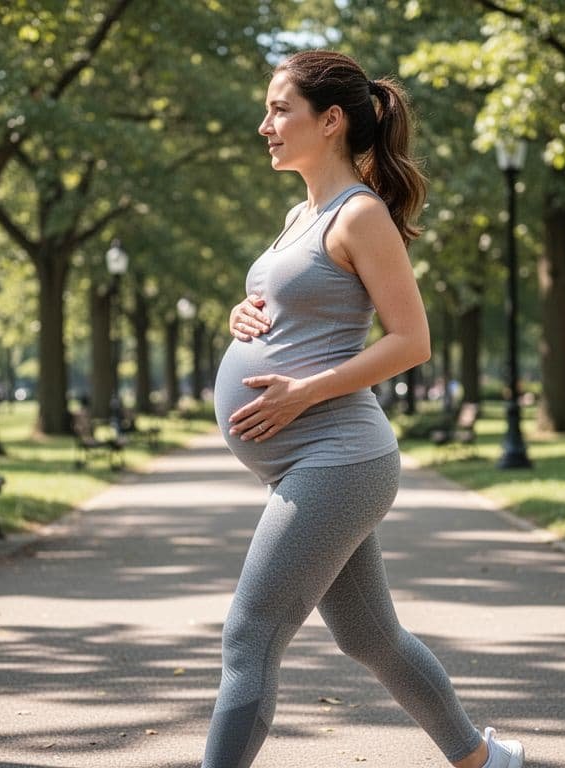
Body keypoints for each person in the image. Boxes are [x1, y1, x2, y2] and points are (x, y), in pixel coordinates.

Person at [208, 50, 523, 768]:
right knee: (369, 639)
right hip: (309, 460)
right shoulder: (300, 213)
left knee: (248, 635)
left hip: (338, 457)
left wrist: (302, 393)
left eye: (279, 109)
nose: (265, 125)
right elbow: (293, 308)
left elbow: (412, 342)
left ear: (331, 120)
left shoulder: (361, 214)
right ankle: (483, 759)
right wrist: (241, 317)